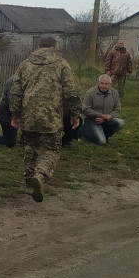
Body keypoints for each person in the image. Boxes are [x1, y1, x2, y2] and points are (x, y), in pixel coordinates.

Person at [9, 35, 81, 202]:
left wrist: (15, 114)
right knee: (51, 149)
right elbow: (72, 90)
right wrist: (75, 113)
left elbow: (15, 91)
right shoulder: (61, 63)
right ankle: (40, 175)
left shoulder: (25, 64)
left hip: (29, 115)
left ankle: (29, 180)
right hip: (51, 116)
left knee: (30, 146)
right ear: (55, 47)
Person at [80, 75, 125, 146]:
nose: (103, 86)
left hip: (107, 119)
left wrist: (109, 117)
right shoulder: (90, 93)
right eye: (102, 83)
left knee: (120, 122)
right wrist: (102, 116)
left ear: (110, 84)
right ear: (98, 83)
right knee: (102, 142)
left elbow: (117, 109)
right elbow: (86, 109)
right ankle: (82, 131)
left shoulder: (114, 93)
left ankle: (104, 135)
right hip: (92, 120)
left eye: (106, 84)